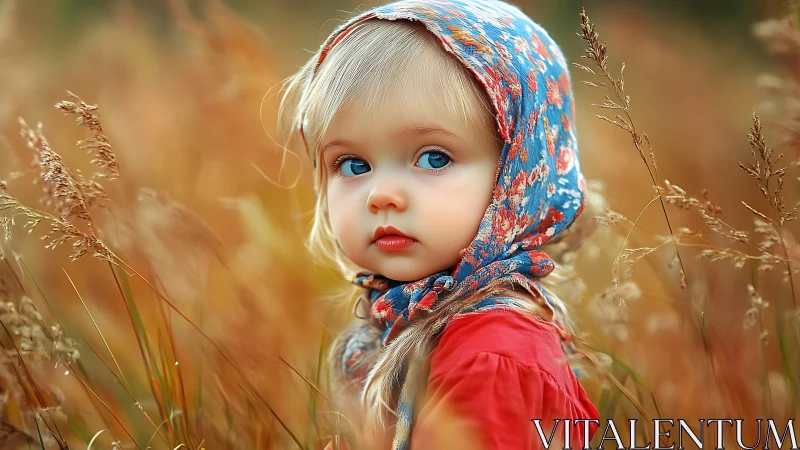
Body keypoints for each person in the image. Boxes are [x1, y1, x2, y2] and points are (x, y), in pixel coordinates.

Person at [278, 0, 601, 448]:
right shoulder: (409, 324)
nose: (380, 195)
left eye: (434, 157)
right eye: (352, 164)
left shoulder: (493, 359)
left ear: (518, 175)